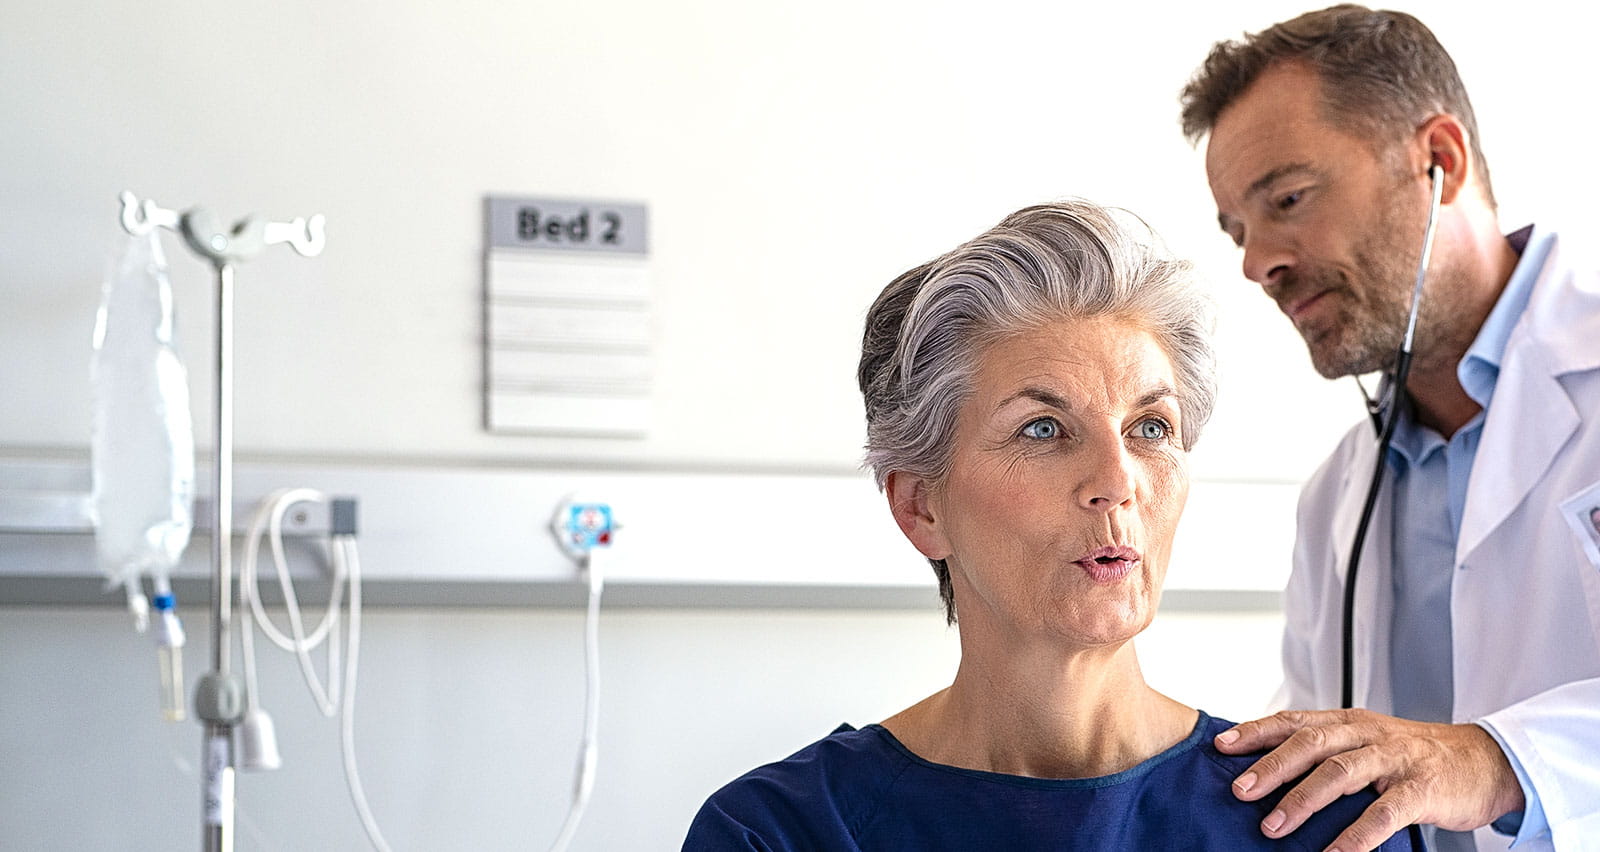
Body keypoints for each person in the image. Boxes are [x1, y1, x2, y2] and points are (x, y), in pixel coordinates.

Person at [681, 201, 1415, 850]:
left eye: (1151, 427)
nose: (1116, 482)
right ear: (920, 507)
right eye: (1041, 429)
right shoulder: (783, 832)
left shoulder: (1318, 821)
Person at [1180, 5, 1600, 851]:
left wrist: (1495, 762)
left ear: (1437, 161)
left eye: (1288, 199)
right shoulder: (1338, 494)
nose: (1257, 262)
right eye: (1239, 231)